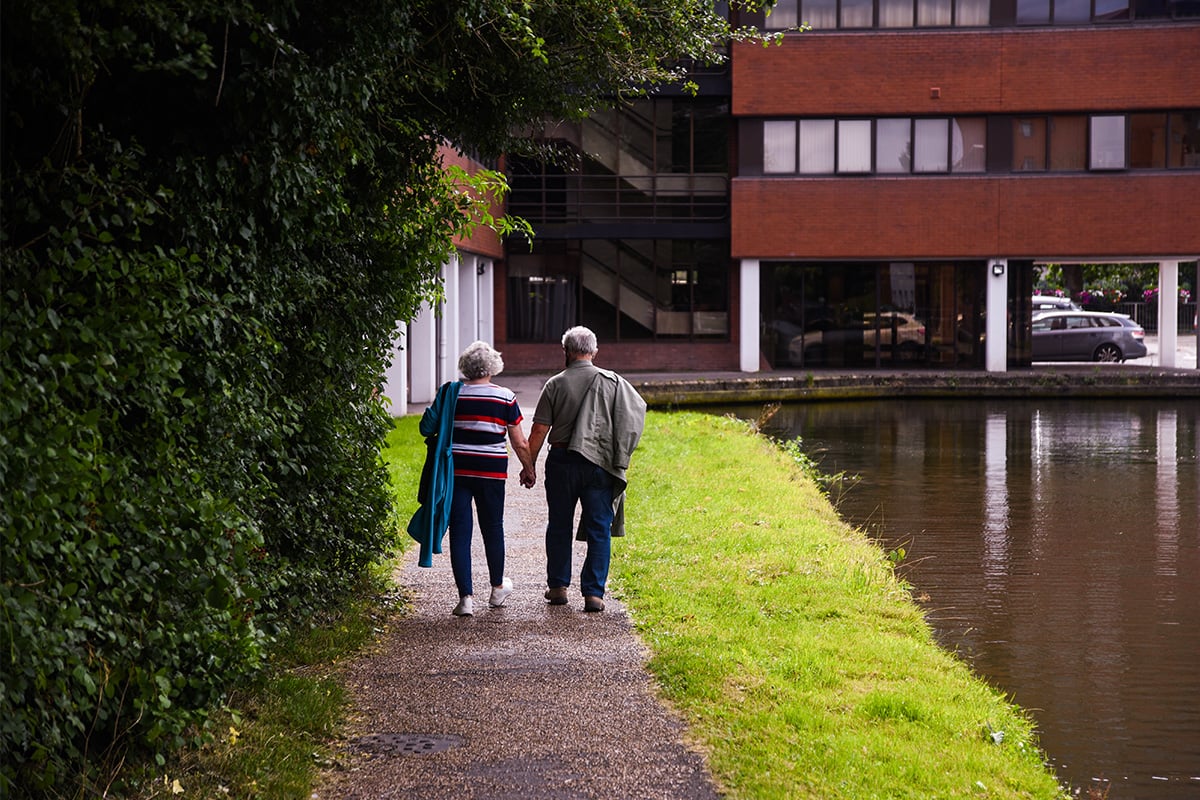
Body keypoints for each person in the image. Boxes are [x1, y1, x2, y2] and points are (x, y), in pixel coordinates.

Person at [524, 326, 646, 613]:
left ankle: (558, 588)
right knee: (599, 528)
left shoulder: (555, 383)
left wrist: (528, 467)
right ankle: (594, 594)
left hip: (562, 461)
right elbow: (631, 419)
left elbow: (540, 430)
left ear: (565, 351)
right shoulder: (615, 383)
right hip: (600, 464)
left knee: (559, 524)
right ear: (594, 352)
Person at [430, 340, 536, 617]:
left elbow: (429, 425)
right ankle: (497, 588)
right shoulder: (504, 397)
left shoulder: (451, 395)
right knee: (493, 527)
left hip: (458, 472)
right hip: (491, 473)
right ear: (493, 367)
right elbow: (519, 442)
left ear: (465, 367)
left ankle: (465, 599)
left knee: (460, 533)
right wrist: (529, 469)